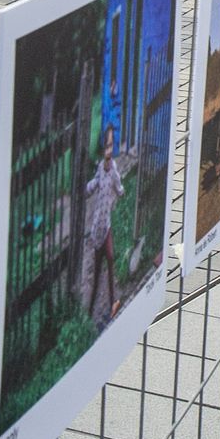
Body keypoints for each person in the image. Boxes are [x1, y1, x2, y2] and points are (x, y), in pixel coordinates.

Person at [81, 129, 125, 326]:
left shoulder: (113, 169)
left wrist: (122, 191)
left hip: (105, 224)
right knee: (98, 268)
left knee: (110, 258)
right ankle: (90, 311)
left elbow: (119, 187)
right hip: (96, 225)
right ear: (102, 149)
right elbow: (95, 184)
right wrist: (85, 189)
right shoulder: (100, 168)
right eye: (107, 146)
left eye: (111, 145)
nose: (109, 149)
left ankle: (113, 302)